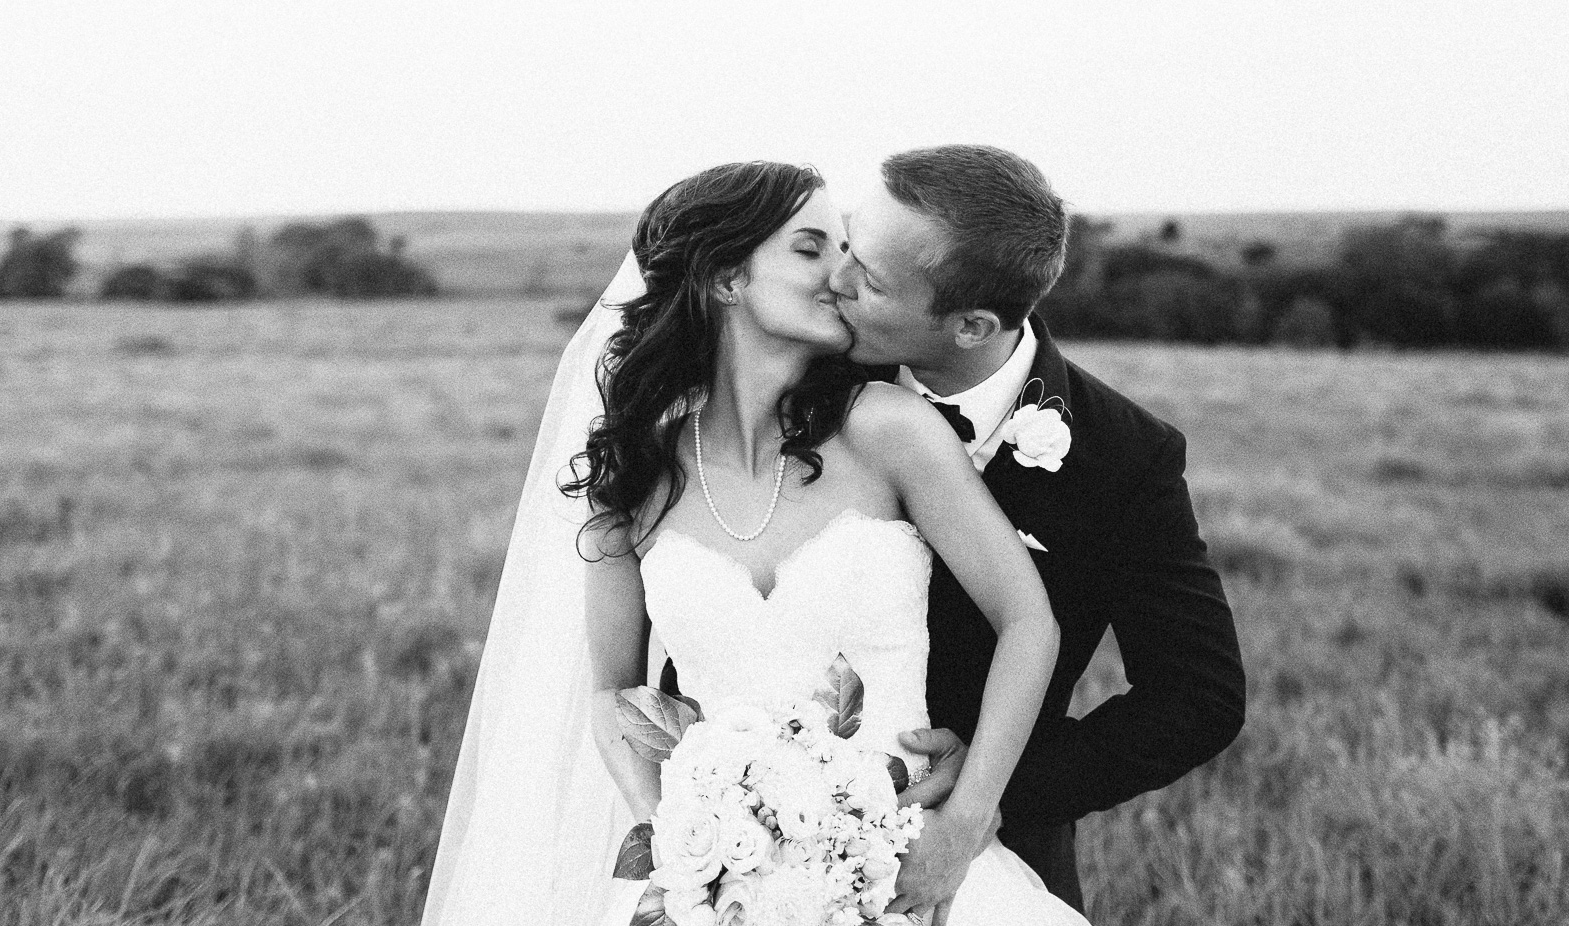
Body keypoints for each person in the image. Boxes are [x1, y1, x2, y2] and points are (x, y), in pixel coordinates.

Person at [422, 160, 1088, 926]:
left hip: (901, 868)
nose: (843, 273)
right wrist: (670, 833)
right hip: (718, 883)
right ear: (726, 277)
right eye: (811, 248)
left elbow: (1028, 621)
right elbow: (613, 692)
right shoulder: (635, 474)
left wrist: (965, 820)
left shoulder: (889, 429)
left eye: (845, 247)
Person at [830, 145, 1247, 914]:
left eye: (873, 281)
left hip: (994, 858)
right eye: (847, 244)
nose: (837, 281)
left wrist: (991, 790)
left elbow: (1199, 698)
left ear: (972, 324)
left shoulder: (1124, 454)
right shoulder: (808, 390)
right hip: (781, 830)